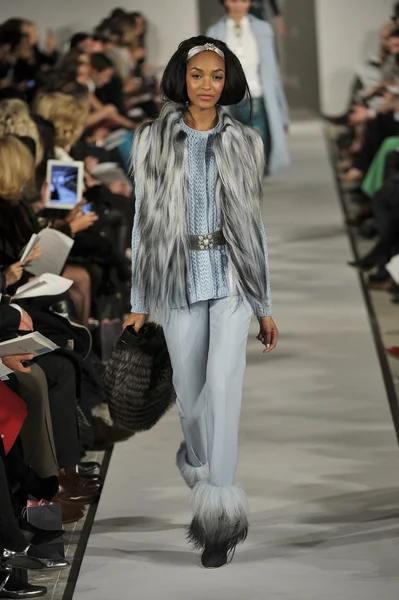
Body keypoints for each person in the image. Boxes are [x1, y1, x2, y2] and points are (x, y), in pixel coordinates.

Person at [123, 35, 278, 568]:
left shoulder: (245, 141)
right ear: (180, 80)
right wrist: (138, 301)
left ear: (228, 81)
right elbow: (143, 223)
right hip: (177, 277)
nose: (207, 86)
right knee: (191, 400)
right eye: (197, 76)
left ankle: (219, 520)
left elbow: (254, 226)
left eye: (216, 76)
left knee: (225, 394)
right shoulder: (151, 141)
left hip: (231, 280)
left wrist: (263, 304)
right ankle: (196, 459)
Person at [207, 0, 289, 174]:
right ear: (225, 2)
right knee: (231, 148)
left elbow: (272, 74)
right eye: (234, 0)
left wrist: (283, 113)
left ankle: (251, 186)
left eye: (244, 0)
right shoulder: (214, 33)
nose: (239, 5)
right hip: (228, 100)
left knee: (257, 150)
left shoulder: (263, 30)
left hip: (256, 96)